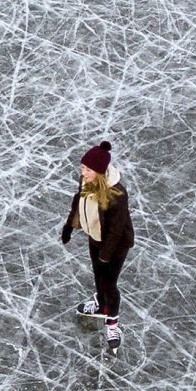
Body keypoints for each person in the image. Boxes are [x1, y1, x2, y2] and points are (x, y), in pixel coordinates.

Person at [59, 140, 133, 350]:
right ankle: (100, 303)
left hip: (115, 246)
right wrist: (69, 227)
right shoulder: (86, 182)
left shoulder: (117, 194)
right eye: (82, 167)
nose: (83, 172)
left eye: (87, 169)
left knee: (109, 284)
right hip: (96, 238)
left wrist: (106, 254)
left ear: (100, 172)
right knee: (98, 277)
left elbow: (116, 229)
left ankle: (112, 322)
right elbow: (78, 202)